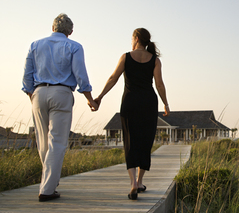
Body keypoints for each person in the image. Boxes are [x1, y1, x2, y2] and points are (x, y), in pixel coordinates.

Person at [22, 13, 98, 202]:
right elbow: (81, 75)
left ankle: (50, 181)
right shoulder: (74, 47)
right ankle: (47, 189)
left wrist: (33, 95)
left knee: (43, 141)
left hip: (38, 93)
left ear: (53, 28)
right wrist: (90, 99)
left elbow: (27, 76)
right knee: (57, 142)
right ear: (70, 31)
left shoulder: (35, 45)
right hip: (62, 93)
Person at [95, 28, 169, 200]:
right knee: (145, 141)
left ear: (136, 39)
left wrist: (100, 97)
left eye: (131, 39)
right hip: (148, 103)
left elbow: (113, 78)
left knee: (130, 141)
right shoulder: (155, 60)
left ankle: (133, 183)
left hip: (129, 102)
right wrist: (166, 103)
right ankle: (140, 180)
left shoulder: (126, 57)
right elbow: (159, 84)